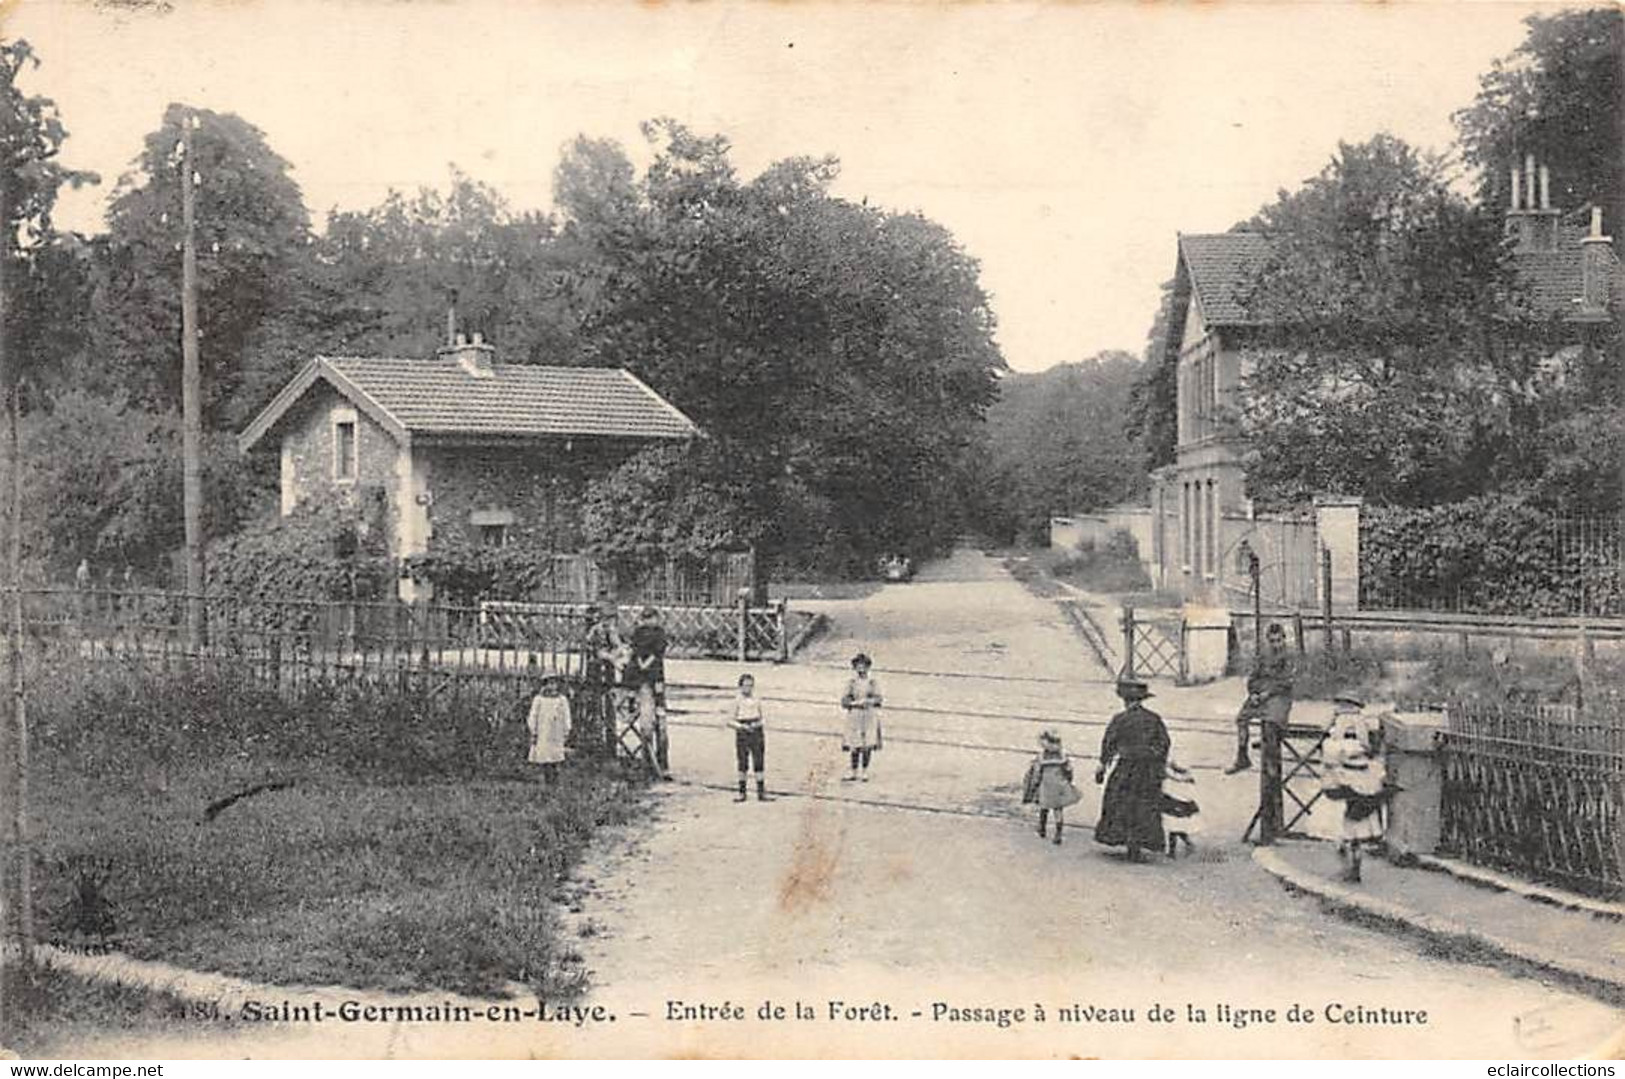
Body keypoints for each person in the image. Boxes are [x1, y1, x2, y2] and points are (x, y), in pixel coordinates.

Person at [1094, 677, 1171, 863]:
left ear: (1125, 701)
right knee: (1145, 805)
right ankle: (1141, 843)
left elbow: (1109, 744)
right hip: (1148, 769)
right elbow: (1164, 743)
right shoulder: (1154, 719)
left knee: (1120, 802)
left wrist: (1102, 766)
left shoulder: (1120, 719)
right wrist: (1157, 762)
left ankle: (1126, 841)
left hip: (1126, 767)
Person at [1320, 695, 1395, 883]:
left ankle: (1349, 869)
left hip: (1342, 779)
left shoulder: (1339, 724)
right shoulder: (1361, 723)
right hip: (1363, 779)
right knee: (1355, 826)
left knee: (1345, 826)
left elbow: (1330, 752)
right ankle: (1353, 868)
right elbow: (1369, 747)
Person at [1226, 622, 1294, 774]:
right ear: (1267, 640)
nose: (1276, 644)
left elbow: (1287, 681)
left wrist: (1268, 693)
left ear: (1284, 639)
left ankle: (1272, 763)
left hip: (1279, 697)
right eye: (1272, 641)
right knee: (1241, 719)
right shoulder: (1263, 656)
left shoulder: (1289, 656)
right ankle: (1242, 757)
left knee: (1271, 723)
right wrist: (1254, 693)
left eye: (1278, 640)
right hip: (1260, 697)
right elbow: (1253, 677)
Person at [629, 607, 670, 778]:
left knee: (661, 720)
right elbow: (636, 650)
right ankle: (648, 762)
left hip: (656, 676)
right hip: (642, 679)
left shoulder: (660, 633)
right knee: (646, 722)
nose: (649, 621)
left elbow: (658, 652)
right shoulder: (638, 633)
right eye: (646, 618)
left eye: (651, 618)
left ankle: (662, 762)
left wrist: (647, 663)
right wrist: (640, 662)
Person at [1022, 729, 1082, 846]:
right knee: (1058, 809)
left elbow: (1037, 773)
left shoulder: (1042, 757)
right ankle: (1058, 833)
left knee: (1043, 807)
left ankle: (1042, 828)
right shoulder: (1062, 756)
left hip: (1046, 785)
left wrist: (1034, 785)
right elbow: (1069, 770)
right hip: (1059, 785)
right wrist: (1068, 780)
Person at [583, 601, 627, 756]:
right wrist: (608, 656)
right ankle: (595, 737)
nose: (608, 622)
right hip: (595, 669)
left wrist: (613, 656)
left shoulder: (611, 630)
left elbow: (619, 647)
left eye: (610, 618)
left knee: (609, 702)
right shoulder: (595, 630)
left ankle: (609, 740)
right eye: (606, 618)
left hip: (607, 670)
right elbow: (590, 647)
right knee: (594, 703)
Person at [840, 653, 883, 782]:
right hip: (855, 715)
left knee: (867, 745)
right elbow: (844, 700)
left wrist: (868, 701)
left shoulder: (872, 682)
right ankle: (853, 770)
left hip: (869, 715)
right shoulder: (851, 683)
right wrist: (853, 703)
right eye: (858, 667)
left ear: (868, 668)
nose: (861, 669)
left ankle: (865, 770)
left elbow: (879, 698)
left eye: (863, 667)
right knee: (854, 744)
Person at [729, 673, 771, 803]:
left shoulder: (757, 699)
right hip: (743, 730)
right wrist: (741, 726)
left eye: (751, 686)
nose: (748, 688)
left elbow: (765, 717)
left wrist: (758, 724)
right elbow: (729, 720)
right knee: (742, 761)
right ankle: (742, 792)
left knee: (759, 760)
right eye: (745, 686)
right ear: (740, 687)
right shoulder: (736, 701)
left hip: (756, 730)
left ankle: (761, 792)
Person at [526, 674, 573, 786]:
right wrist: (533, 730)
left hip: (556, 731)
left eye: (554, 683)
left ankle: (555, 781)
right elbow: (533, 715)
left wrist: (567, 730)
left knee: (555, 756)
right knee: (544, 756)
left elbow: (567, 715)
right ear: (545, 685)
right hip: (543, 731)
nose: (551, 686)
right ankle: (545, 780)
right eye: (549, 683)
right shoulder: (539, 699)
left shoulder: (562, 700)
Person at [1161, 760, 1201, 858]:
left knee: (1172, 824)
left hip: (1176, 795)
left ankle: (1174, 850)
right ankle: (1184, 844)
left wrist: (1168, 770)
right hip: (1175, 794)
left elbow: (1181, 770)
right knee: (1173, 825)